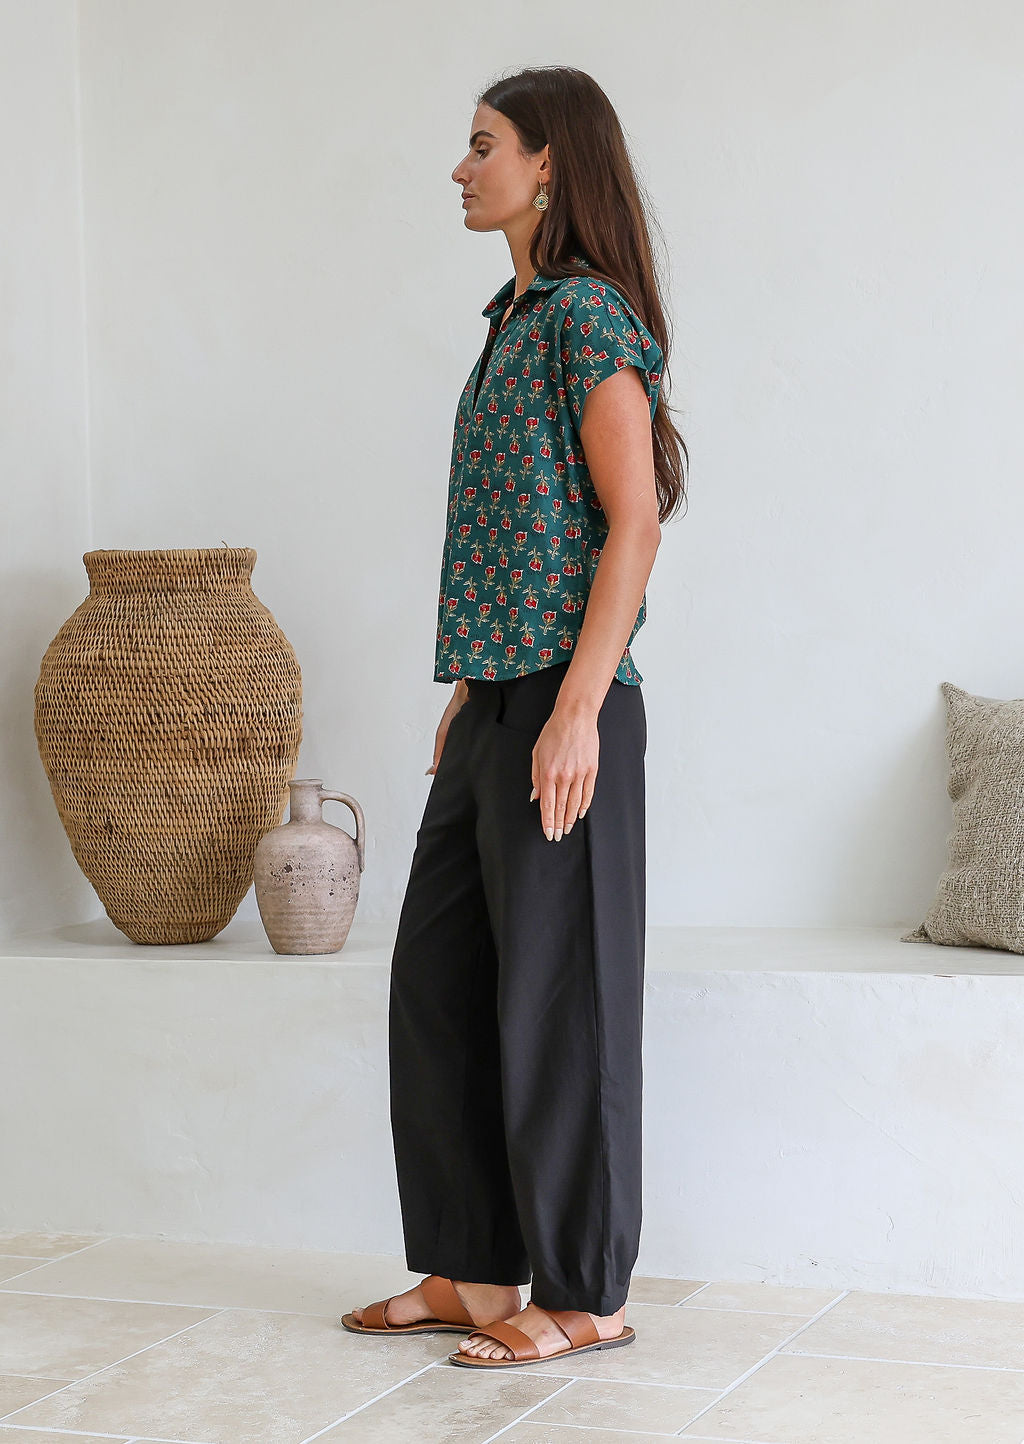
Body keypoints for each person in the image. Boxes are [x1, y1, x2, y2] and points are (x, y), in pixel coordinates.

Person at [342, 64, 688, 1369]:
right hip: (496, 699)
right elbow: (516, 534)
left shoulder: (588, 319)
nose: (460, 165)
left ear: (548, 163)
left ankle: (586, 1291)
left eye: (480, 144)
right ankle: (480, 1271)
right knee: (442, 979)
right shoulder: (514, 316)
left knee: (564, 1004)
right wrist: (476, 695)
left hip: (568, 703)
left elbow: (634, 523)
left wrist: (574, 708)